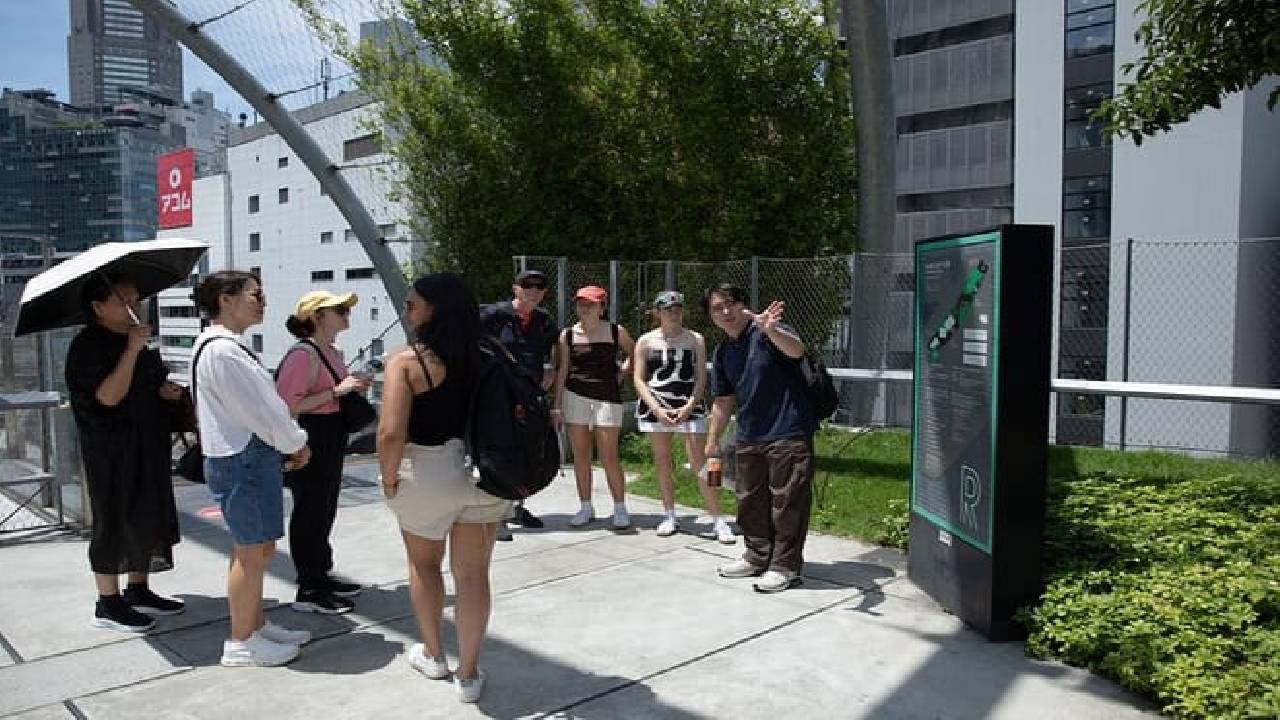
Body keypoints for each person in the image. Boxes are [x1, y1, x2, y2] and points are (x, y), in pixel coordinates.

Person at [378, 274, 508, 703]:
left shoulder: (407, 361)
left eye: (413, 304)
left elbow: (391, 434)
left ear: (435, 309)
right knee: (472, 577)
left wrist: (389, 478)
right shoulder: (491, 354)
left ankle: (434, 655)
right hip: (483, 472)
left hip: (428, 472)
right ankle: (469, 675)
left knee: (423, 566)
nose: (406, 311)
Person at [191, 271, 314, 667]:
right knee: (251, 551)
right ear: (225, 300)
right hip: (242, 457)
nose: (262, 302)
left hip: (243, 455)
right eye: (254, 294)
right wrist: (295, 443)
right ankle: (241, 640)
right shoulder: (223, 351)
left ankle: (254, 625)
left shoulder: (224, 348)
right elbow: (263, 410)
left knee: (256, 549)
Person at [65, 273, 185, 633]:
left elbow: (150, 387)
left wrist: (167, 392)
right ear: (98, 307)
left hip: (147, 443)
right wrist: (132, 350)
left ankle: (138, 588)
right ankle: (108, 601)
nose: (134, 305)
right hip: (111, 450)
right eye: (123, 300)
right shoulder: (88, 346)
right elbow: (108, 397)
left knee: (148, 512)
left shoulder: (142, 344)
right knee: (114, 518)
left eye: (137, 298)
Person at [702, 283, 818, 594]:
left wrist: (772, 329)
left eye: (731, 304)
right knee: (749, 500)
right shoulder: (724, 350)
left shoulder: (769, 330)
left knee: (787, 502)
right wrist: (712, 440)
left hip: (788, 431)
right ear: (711, 315)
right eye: (717, 308)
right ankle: (757, 555)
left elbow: (796, 350)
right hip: (749, 435)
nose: (726, 312)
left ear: (742, 304)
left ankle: (785, 567)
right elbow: (723, 400)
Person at [274, 291, 371, 614]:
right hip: (311, 434)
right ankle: (309, 585)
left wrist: (350, 387)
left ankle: (321, 573)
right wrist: (336, 391)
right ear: (317, 317)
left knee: (325, 505)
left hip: (331, 433)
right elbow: (286, 405)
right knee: (310, 509)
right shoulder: (303, 355)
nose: (347, 314)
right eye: (339, 310)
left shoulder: (329, 351)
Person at [632, 290, 735, 544]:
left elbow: (701, 377)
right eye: (667, 309)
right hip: (657, 407)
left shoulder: (695, 339)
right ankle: (669, 514)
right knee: (663, 462)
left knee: (706, 463)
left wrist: (690, 405)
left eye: (677, 308)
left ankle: (718, 517)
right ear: (657, 312)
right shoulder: (645, 341)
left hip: (689, 407)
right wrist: (656, 408)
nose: (673, 312)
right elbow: (638, 377)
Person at [479, 269, 558, 537]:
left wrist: (548, 370)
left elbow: (548, 351)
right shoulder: (494, 315)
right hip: (499, 398)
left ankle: (516, 507)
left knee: (529, 451)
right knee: (502, 454)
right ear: (516, 288)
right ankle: (497, 513)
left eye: (539, 286)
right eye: (527, 285)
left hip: (530, 395)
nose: (533, 291)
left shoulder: (544, 320)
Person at [552, 285, 634, 529]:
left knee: (609, 455)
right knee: (580, 456)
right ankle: (585, 506)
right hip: (574, 395)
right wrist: (556, 406)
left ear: (602, 307)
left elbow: (635, 352)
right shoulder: (567, 335)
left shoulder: (615, 331)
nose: (585, 308)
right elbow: (563, 369)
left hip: (607, 397)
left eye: (591, 303)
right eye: (581, 303)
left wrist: (620, 375)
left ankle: (620, 508)